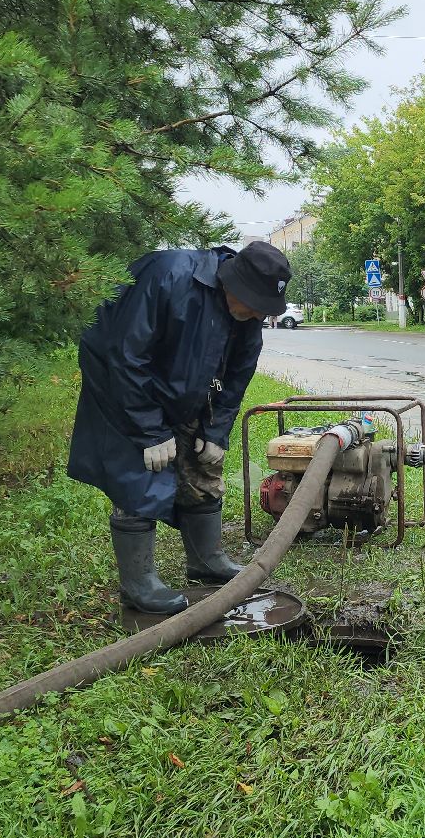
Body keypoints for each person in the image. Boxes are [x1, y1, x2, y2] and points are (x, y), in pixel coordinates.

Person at [66, 241, 292, 613]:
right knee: (142, 472)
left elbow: (238, 375)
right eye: (253, 304)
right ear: (231, 282)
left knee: (203, 465)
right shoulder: (168, 276)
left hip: (186, 389)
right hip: (121, 384)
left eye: (264, 309)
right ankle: (137, 585)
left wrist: (216, 430)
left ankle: (206, 560)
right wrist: (149, 430)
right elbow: (126, 355)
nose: (256, 314)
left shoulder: (246, 317)